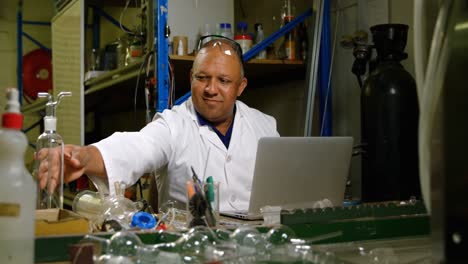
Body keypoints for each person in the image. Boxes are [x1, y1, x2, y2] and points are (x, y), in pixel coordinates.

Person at [37, 37, 279, 212]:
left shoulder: (264, 126)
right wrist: (85, 156)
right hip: (190, 246)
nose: (210, 89)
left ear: (241, 87)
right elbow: (136, 148)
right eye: (202, 78)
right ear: (191, 78)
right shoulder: (173, 125)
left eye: (223, 80)